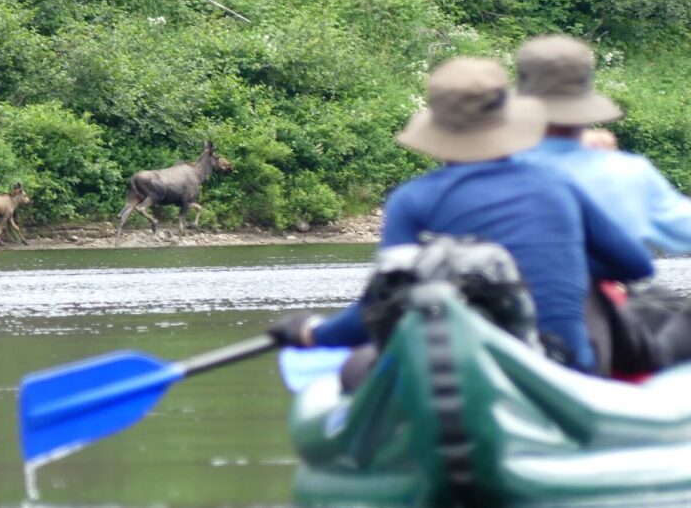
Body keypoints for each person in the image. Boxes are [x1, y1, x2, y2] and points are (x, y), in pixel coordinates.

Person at [268, 57, 653, 374]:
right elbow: (636, 265)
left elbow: (378, 311)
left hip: (462, 372)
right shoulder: (557, 184)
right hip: (567, 368)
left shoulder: (415, 200)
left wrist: (310, 332)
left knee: (356, 369)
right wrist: (559, 257)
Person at [515, 35, 691, 373]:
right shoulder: (627, 172)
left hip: (510, 315)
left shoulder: (493, 170)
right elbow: (652, 255)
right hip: (601, 326)